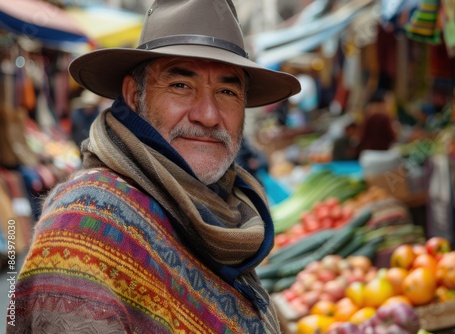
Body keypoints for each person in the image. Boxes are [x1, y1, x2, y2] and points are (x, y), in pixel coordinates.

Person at [9, 1, 300, 333]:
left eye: (226, 91)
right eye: (180, 85)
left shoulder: (220, 211)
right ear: (135, 96)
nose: (208, 115)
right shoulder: (84, 222)